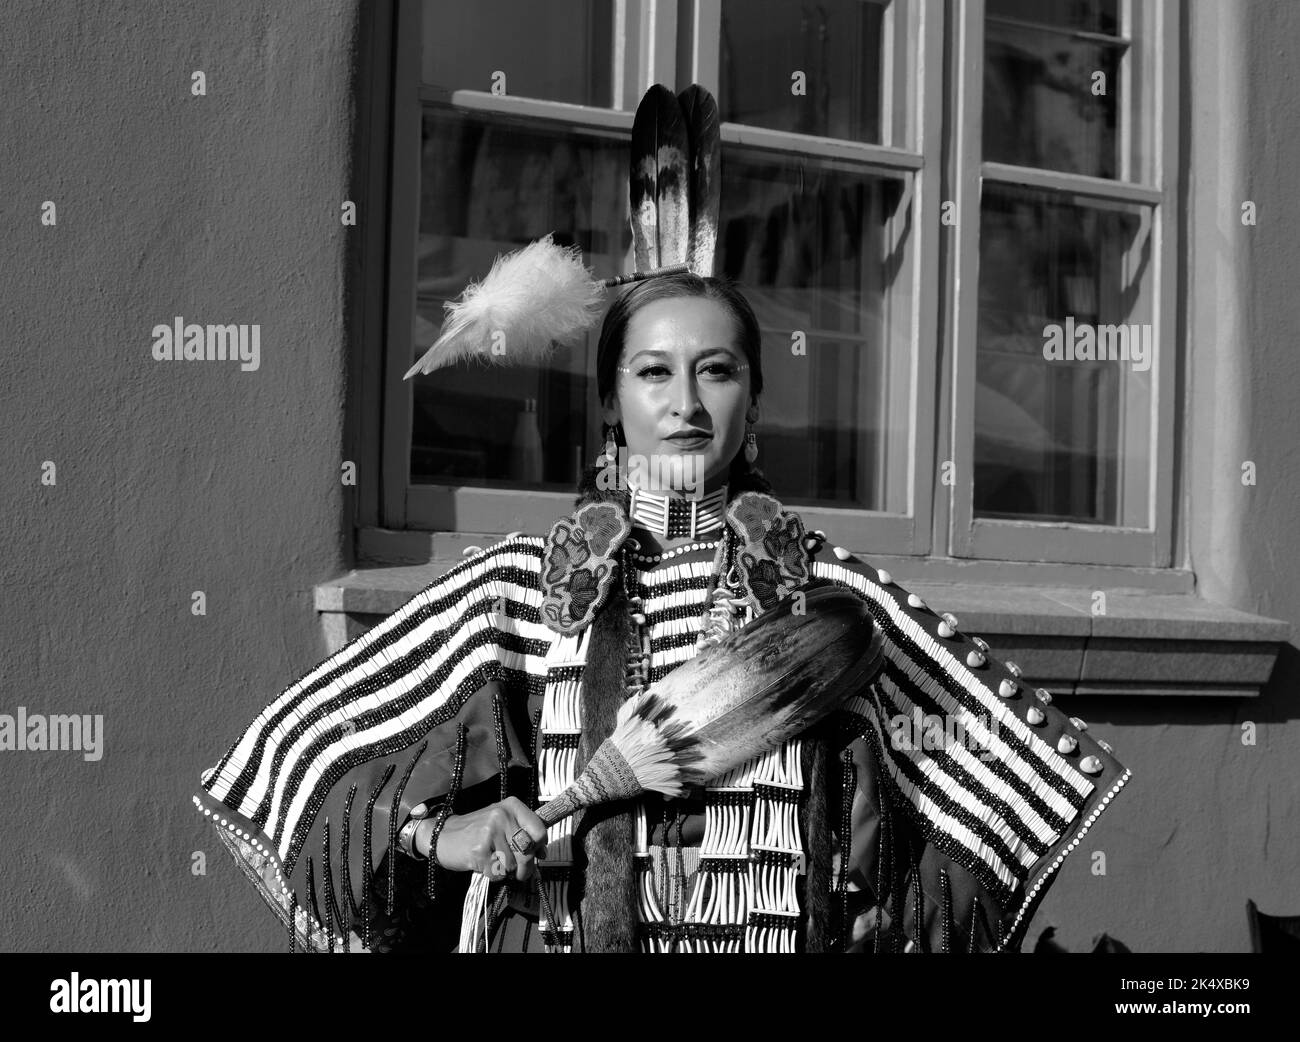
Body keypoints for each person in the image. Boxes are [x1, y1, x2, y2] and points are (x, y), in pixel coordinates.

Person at [192, 270, 1129, 953]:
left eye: (715, 371)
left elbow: (1011, 772)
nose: (685, 403)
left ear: (754, 399)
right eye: (653, 374)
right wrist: (445, 836)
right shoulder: (523, 586)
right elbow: (302, 759)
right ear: (610, 402)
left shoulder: (824, 598)